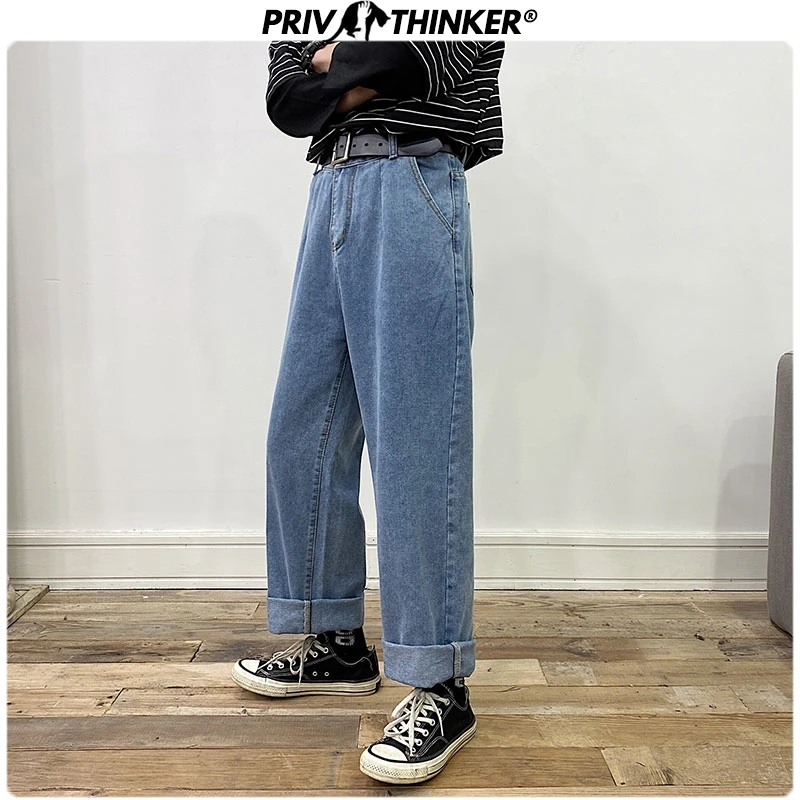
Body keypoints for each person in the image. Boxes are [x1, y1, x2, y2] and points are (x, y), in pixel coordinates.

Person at [232, 38, 505, 785]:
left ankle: (441, 684)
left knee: (415, 440)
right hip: (330, 187)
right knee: (302, 431)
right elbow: (288, 103)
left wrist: (332, 64)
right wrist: (346, 73)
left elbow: (425, 60)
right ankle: (337, 643)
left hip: (412, 180)